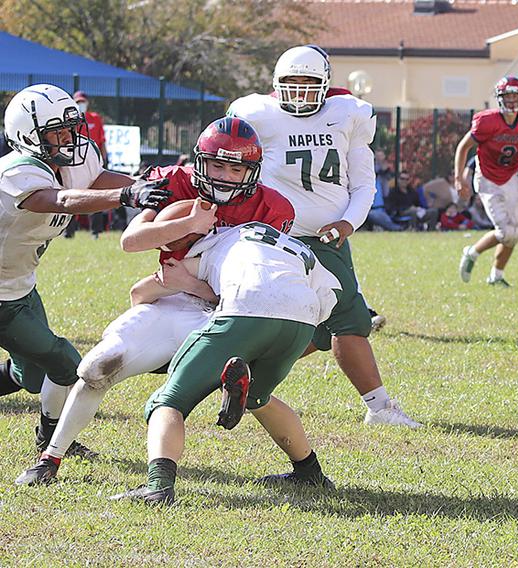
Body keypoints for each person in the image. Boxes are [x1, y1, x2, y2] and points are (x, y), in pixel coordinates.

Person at [15, 117, 296, 486]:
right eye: (217, 165)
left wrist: (191, 285)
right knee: (96, 367)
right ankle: (50, 459)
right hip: (174, 303)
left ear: (251, 171)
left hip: (229, 312)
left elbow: (264, 288)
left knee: (196, 393)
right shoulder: (176, 182)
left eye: (235, 168)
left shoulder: (273, 208)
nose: (226, 176)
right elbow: (131, 241)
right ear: (200, 161)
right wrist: (187, 225)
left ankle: (228, 395)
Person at [228, 44, 420, 427]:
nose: (299, 91)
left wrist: (348, 223)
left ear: (325, 85)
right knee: (350, 321)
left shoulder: (347, 114)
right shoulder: (256, 115)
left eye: (308, 83)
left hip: (328, 238)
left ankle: (238, 374)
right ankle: (380, 408)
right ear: (276, 84)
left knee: (318, 330)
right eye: (291, 83)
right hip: (277, 236)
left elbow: (364, 184)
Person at [110, 221, 340, 504]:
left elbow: (141, 291)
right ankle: (310, 472)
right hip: (302, 319)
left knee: (168, 401)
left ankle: (158, 487)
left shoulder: (215, 241)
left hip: (244, 309)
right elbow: (331, 294)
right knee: (258, 398)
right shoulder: (294, 246)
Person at [0, 84, 171, 458]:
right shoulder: (16, 171)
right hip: (0, 295)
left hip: (19, 285)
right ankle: (52, 440)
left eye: (69, 127)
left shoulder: (75, 159)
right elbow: (57, 199)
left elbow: (95, 179)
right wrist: (124, 197)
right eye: (55, 132)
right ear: (28, 136)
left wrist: (144, 187)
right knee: (64, 362)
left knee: (29, 374)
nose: (67, 138)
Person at [455, 76, 518, 287]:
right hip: (488, 178)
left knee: (515, 232)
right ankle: (472, 252)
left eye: (515, 96)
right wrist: (459, 177)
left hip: (510, 177)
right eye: (507, 97)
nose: (511, 101)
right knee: (505, 231)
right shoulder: (486, 121)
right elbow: (463, 147)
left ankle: (496, 276)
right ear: (499, 99)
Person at [73, 91, 112, 239]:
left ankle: (95, 231)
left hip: (94, 163)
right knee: (73, 195)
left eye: (82, 102)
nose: (80, 105)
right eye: (77, 102)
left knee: (96, 196)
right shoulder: (70, 120)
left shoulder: (95, 118)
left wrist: (102, 161)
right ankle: (68, 231)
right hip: (76, 163)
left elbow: (102, 142)